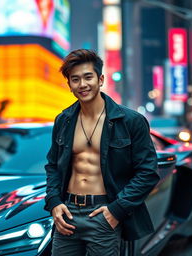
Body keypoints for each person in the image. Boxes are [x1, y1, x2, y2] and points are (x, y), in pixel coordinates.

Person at [44, 49, 160, 256]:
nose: (82, 84)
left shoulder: (130, 121)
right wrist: (54, 203)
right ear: (69, 85)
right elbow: (53, 165)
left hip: (103, 212)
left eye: (88, 77)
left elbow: (147, 172)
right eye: (75, 79)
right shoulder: (63, 120)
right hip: (68, 212)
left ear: (101, 79)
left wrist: (117, 210)